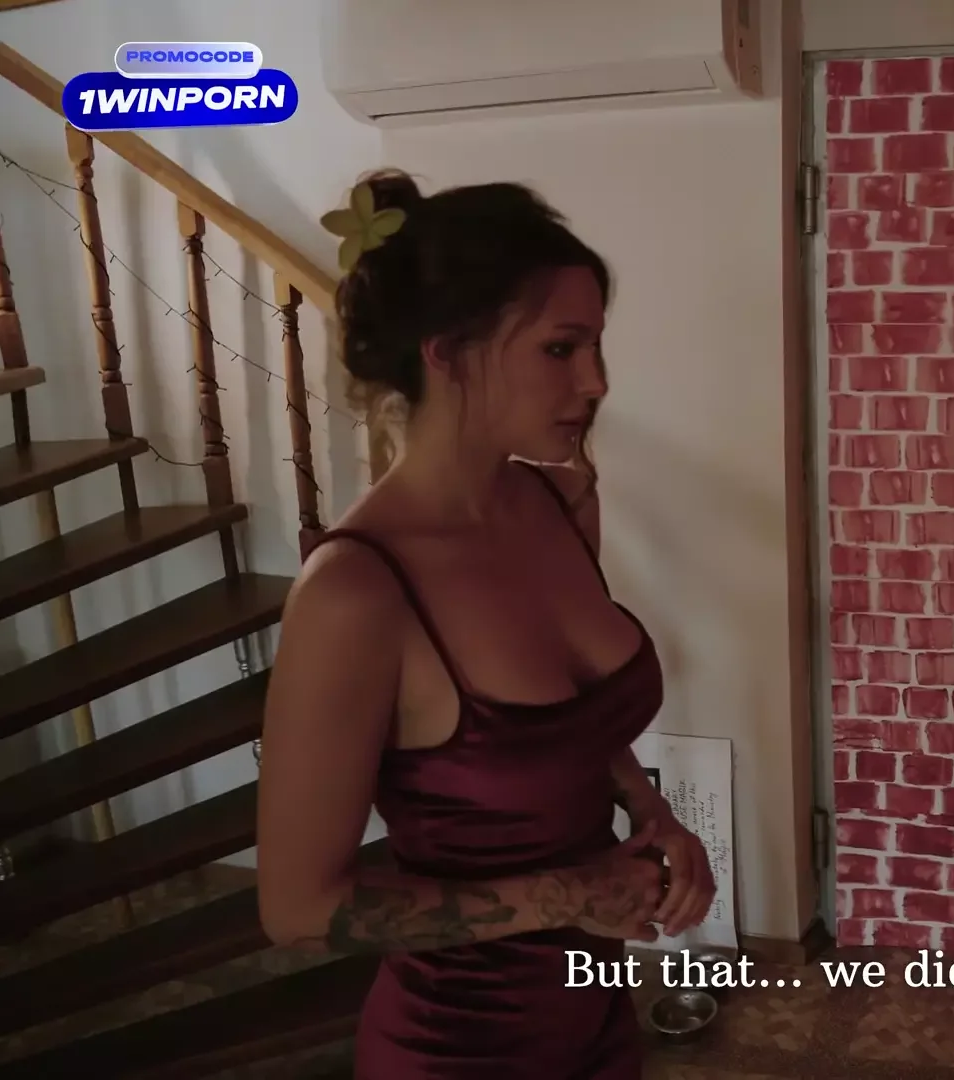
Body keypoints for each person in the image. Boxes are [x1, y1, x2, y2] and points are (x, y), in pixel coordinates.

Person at [255, 170, 717, 1078]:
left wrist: (653, 812)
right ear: (448, 352)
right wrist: (570, 895)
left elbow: (573, 730)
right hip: (456, 1048)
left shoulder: (555, 500)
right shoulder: (357, 593)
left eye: (596, 346)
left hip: (594, 1015)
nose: (597, 382)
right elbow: (299, 910)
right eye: (561, 348)